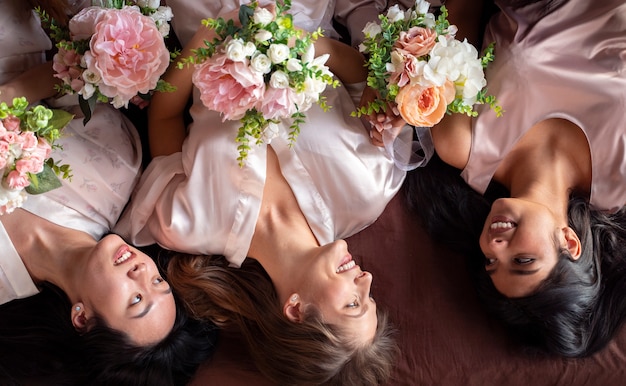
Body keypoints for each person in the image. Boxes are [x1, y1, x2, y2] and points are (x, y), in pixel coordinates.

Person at [114, 3, 406, 384]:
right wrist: (313, 46)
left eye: (354, 303)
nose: (366, 279)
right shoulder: (367, 189)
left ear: (296, 310)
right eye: (371, 297)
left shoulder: (186, 223)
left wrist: (211, 32)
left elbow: (165, 115)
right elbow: (360, 82)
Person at [0, 1, 216, 384]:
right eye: (157, 283)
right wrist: (12, 93)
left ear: (82, 317)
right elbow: (71, 76)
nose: (142, 271)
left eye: (135, 300)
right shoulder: (116, 171)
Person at [403, 0, 626, 358]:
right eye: (522, 261)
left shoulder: (463, 145)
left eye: (491, 262)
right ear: (569, 242)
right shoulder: (619, 178)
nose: (493, 247)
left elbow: (459, 13)